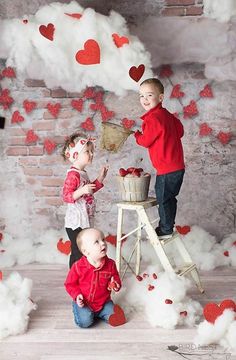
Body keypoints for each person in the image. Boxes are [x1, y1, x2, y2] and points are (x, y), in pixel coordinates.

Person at [134, 78, 185, 240]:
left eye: (149, 95)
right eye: (141, 96)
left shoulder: (153, 118)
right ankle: (168, 224)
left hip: (166, 168)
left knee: (163, 198)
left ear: (161, 97)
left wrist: (137, 135)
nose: (145, 100)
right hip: (178, 166)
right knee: (170, 198)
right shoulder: (168, 116)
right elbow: (180, 131)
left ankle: (165, 229)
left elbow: (146, 141)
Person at [61, 132, 108, 268]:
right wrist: (81, 190)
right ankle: (74, 276)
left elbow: (89, 191)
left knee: (85, 250)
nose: (91, 154)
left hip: (84, 219)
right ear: (76, 155)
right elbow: (67, 196)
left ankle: (84, 274)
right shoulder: (73, 175)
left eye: (91, 151)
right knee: (78, 251)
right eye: (87, 151)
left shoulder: (83, 173)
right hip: (76, 223)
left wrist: (100, 179)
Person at [64, 228, 126, 328]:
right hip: (85, 303)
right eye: (96, 242)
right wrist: (77, 295)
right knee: (85, 322)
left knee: (114, 314)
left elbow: (116, 278)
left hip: (103, 302)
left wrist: (115, 284)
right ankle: (81, 310)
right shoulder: (78, 267)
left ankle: (102, 313)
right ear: (86, 251)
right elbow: (70, 284)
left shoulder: (110, 264)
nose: (103, 243)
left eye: (103, 239)